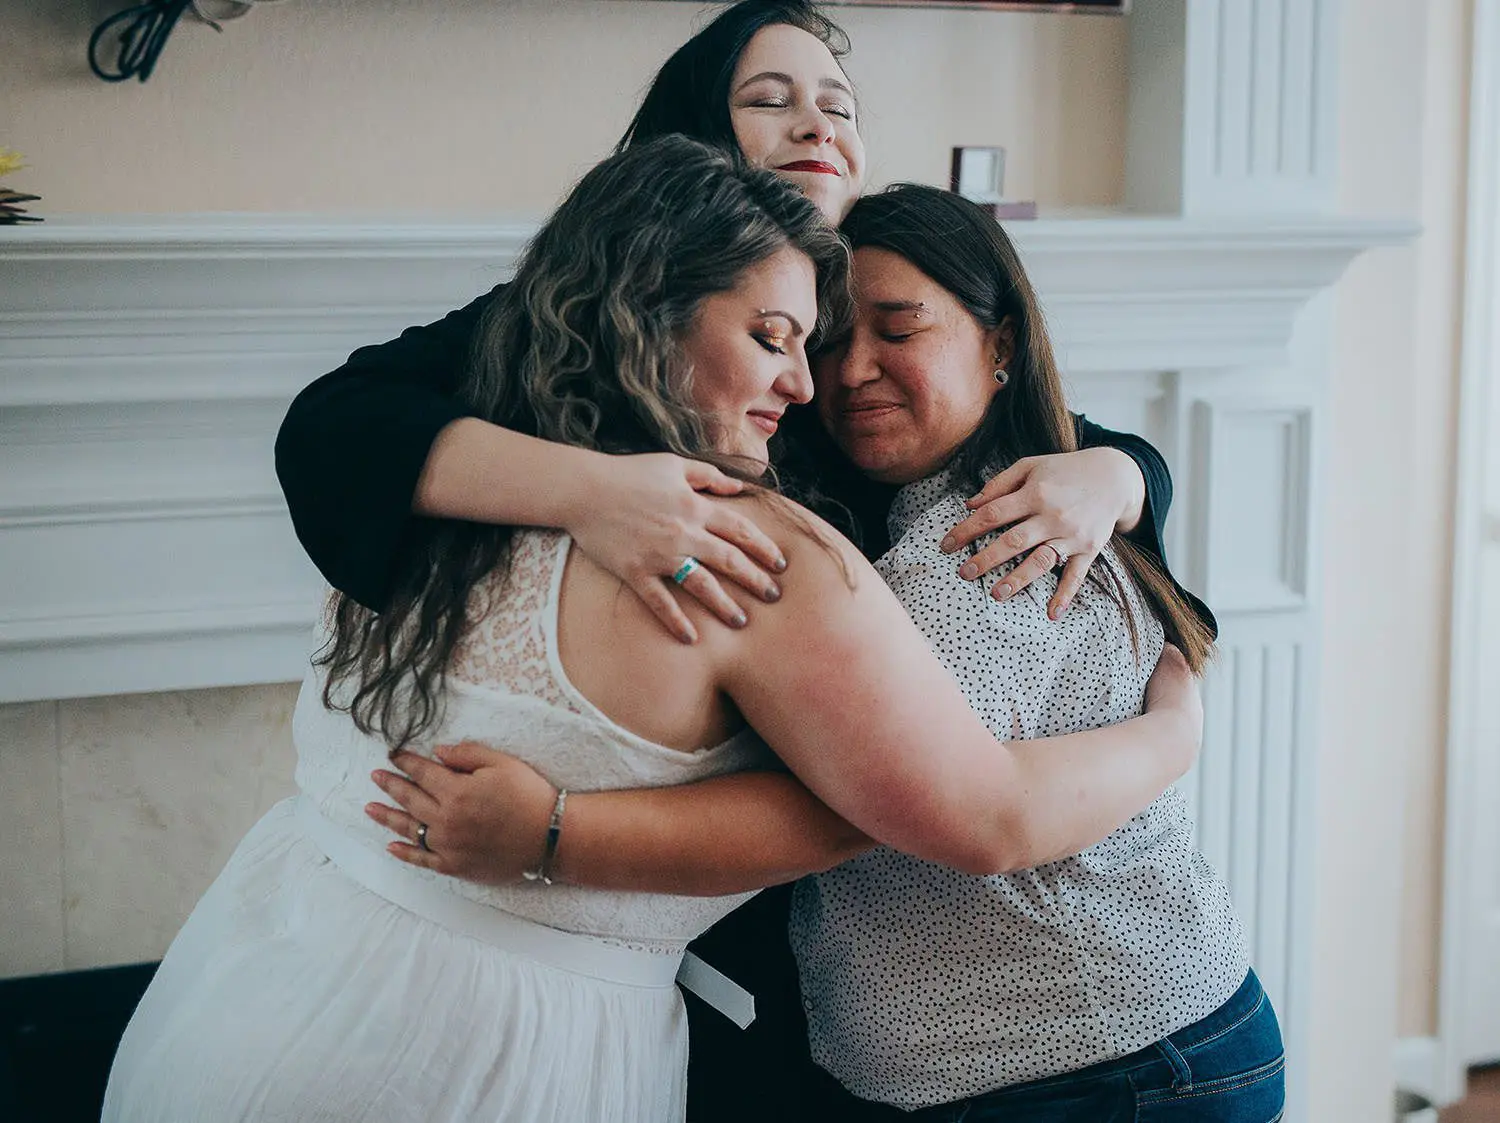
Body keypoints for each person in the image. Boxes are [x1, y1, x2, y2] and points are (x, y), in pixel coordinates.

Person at [103, 138, 1202, 1123]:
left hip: (255, 984)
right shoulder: (747, 550)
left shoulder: (426, 482)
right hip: (498, 1054)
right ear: (648, 306)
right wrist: (1173, 735)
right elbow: (978, 815)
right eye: (776, 337)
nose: (805, 381)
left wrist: (1122, 468)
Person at [367, 185, 1282, 1123]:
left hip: (1101, 1067)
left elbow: (907, 809)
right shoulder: (864, 505)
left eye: (899, 330)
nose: (843, 374)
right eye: (825, 339)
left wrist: (551, 834)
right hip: (1042, 1060)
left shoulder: (991, 541)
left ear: (1000, 344)